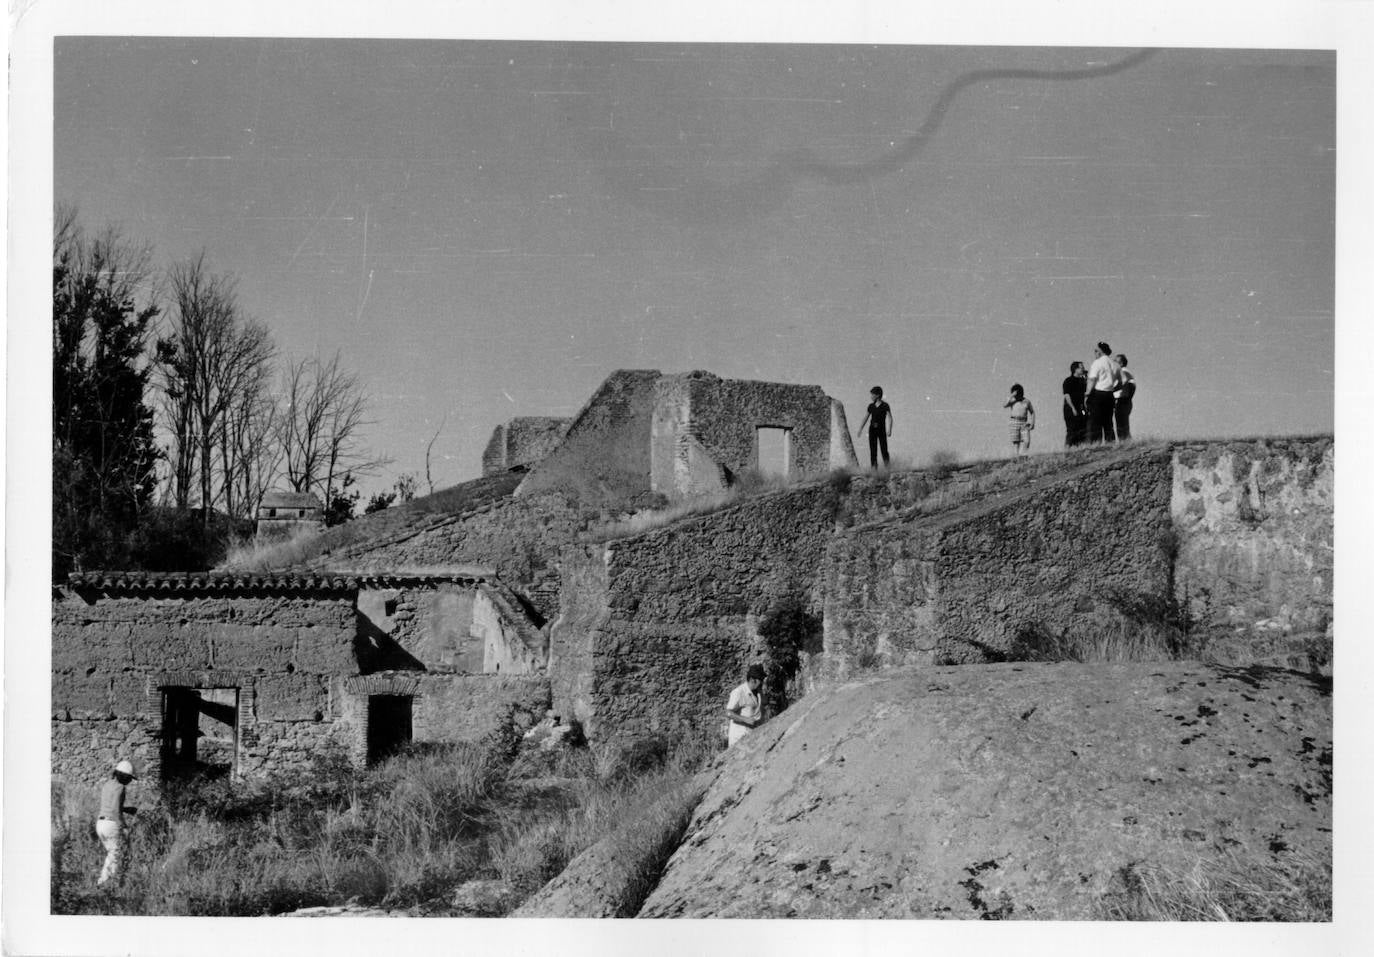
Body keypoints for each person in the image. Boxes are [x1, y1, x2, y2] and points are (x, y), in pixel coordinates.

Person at [96, 758, 138, 887]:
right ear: (124, 776)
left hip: (100, 824)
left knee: (112, 853)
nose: (130, 781)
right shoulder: (120, 788)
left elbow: (110, 805)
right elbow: (114, 810)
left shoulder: (108, 784)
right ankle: (105, 884)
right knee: (116, 853)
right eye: (129, 778)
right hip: (111, 824)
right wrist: (123, 826)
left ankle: (106, 881)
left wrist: (125, 809)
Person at [1084, 341, 1120, 444]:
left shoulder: (1097, 363)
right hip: (1110, 394)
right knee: (1108, 421)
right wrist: (1113, 389)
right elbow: (1121, 383)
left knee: (1096, 421)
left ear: (1100, 351)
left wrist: (1087, 394)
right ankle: (1110, 443)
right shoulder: (1115, 365)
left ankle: (1096, 444)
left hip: (1098, 394)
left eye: (1096, 351)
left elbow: (1092, 380)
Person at [725, 664, 766, 747]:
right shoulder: (739, 692)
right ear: (752, 680)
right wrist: (745, 719)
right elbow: (728, 713)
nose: (762, 682)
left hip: (753, 736)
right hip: (739, 739)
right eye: (760, 679)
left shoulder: (758, 692)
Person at [854, 386, 893, 470]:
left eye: (872, 395)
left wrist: (889, 430)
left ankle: (888, 468)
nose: (871, 397)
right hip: (872, 430)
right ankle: (874, 469)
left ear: (878, 395)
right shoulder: (871, 406)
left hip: (881, 430)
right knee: (873, 450)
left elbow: (890, 418)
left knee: (884, 449)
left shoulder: (885, 405)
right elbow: (866, 417)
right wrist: (860, 428)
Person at [1004, 383, 1035, 457]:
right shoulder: (1012, 401)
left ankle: (1024, 455)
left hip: (1024, 422)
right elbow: (1004, 405)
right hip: (1014, 421)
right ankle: (1017, 459)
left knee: (1027, 441)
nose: (1017, 396)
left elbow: (1032, 412)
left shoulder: (1027, 401)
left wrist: (1032, 423)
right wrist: (1011, 396)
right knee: (1016, 443)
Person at [1061, 361, 1088, 447]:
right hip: (1070, 407)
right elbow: (1067, 395)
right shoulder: (1068, 381)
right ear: (1075, 369)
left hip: (1080, 408)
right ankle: (1068, 449)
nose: (1083, 369)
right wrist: (1072, 408)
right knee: (1072, 430)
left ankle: (1079, 448)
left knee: (1082, 430)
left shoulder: (1083, 381)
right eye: (1081, 367)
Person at [1112, 353, 1136, 440]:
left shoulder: (1123, 372)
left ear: (1121, 363)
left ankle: (1125, 443)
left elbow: (1127, 384)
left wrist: (1112, 390)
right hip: (1124, 400)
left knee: (1121, 425)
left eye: (1115, 361)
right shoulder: (1125, 372)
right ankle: (1126, 442)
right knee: (1123, 424)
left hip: (1122, 400)